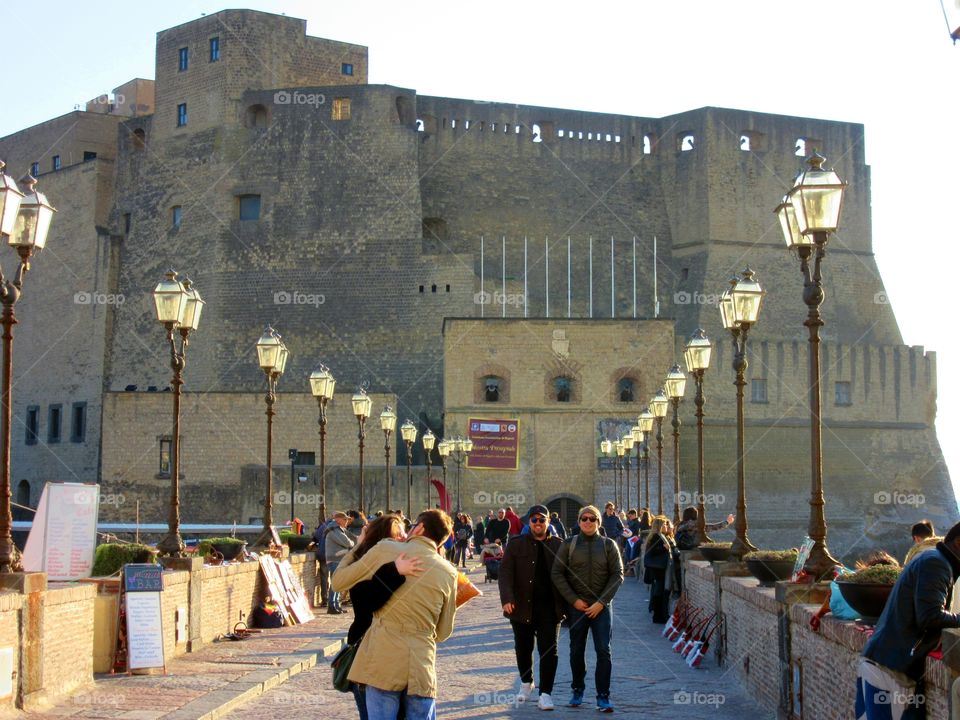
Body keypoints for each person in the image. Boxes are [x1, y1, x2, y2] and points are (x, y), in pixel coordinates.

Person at [332, 509, 458, 720]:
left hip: (383, 661)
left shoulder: (386, 549)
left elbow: (338, 581)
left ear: (419, 528)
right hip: (421, 665)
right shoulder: (449, 572)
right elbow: (444, 631)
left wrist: (358, 546)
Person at [856, 521, 960, 720]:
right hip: (891, 668)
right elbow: (930, 616)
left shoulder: (932, 559)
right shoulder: (937, 564)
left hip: (885, 661)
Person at [339, 514, 424, 720]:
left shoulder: (397, 567)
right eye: (400, 535)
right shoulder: (385, 570)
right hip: (372, 656)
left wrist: (358, 547)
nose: (404, 539)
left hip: (389, 657)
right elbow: (353, 589)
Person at [550, 504, 624, 712]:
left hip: (601, 607)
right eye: (585, 519)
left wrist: (601, 602)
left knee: (603, 650)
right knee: (576, 650)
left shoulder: (609, 545)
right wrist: (574, 600)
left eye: (592, 519)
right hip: (578, 607)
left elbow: (617, 575)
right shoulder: (569, 545)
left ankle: (603, 695)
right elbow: (557, 573)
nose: (588, 522)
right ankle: (577, 689)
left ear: (599, 522)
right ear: (579, 522)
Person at [499, 504, 565, 711]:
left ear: (548, 522)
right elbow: (505, 573)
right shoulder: (516, 544)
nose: (538, 523)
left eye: (542, 520)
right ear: (529, 522)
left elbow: (567, 575)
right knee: (523, 647)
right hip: (521, 606)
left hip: (549, 608)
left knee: (549, 650)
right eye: (534, 520)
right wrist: (507, 598)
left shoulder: (559, 545)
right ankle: (526, 682)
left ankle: (546, 693)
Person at [643, 515, 675, 624]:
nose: (667, 526)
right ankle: (658, 616)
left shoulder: (657, 536)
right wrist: (664, 548)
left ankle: (660, 615)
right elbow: (652, 551)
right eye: (665, 524)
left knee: (659, 591)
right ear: (660, 526)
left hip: (657, 568)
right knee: (659, 592)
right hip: (658, 569)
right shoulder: (657, 537)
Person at [325, 511, 356, 614]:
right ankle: (332, 606)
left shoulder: (339, 529)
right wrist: (351, 543)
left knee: (339, 583)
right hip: (334, 559)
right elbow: (347, 542)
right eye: (345, 519)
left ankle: (336, 605)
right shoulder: (334, 529)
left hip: (338, 559)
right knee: (335, 583)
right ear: (338, 520)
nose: (347, 521)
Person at [313, 516, 336, 608]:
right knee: (334, 577)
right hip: (332, 555)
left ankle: (324, 599)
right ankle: (332, 599)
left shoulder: (323, 526)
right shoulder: (336, 527)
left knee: (324, 577)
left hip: (322, 554)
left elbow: (316, 537)